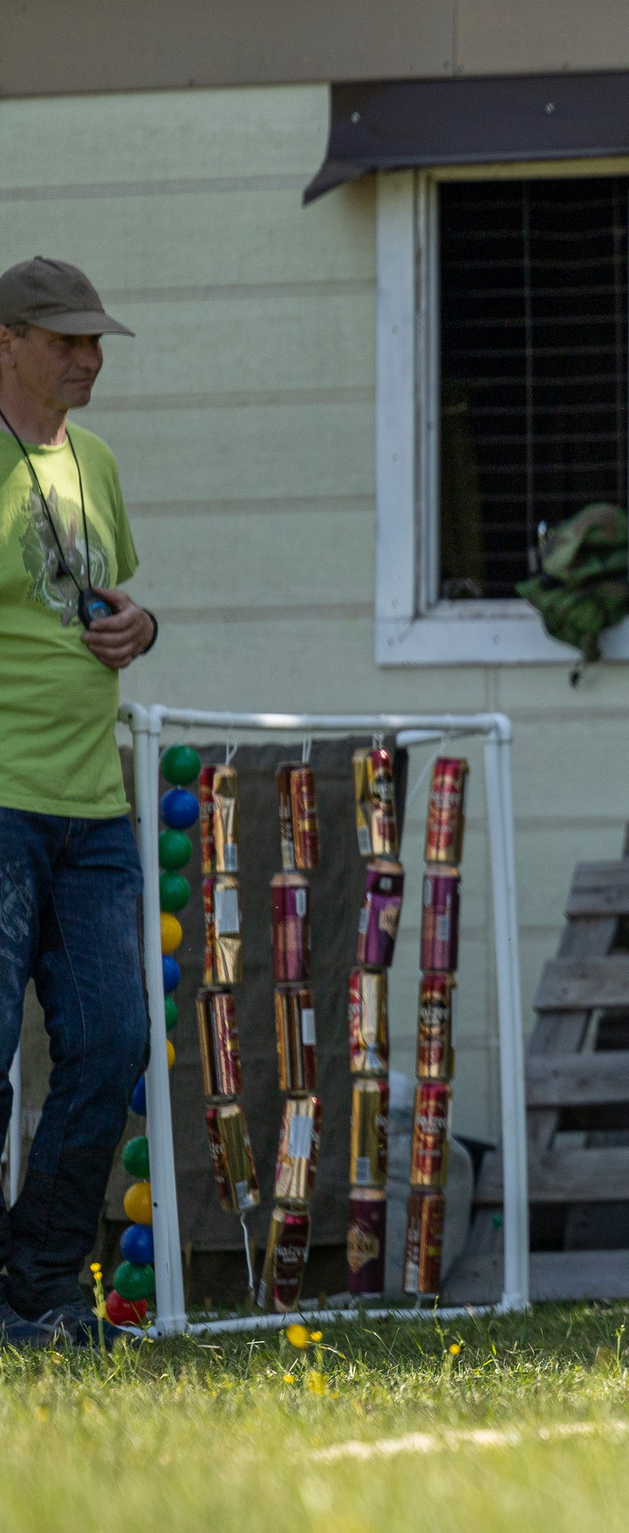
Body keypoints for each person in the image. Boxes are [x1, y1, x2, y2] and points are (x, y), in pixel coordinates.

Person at [0, 257, 158, 1349]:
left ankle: (45, 1283)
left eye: (95, 339)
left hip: (94, 805)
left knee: (112, 1041)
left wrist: (142, 627)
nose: (89, 357)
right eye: (65, 339)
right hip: (3, 801)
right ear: (7, 342)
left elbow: (106, 605)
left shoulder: (94, 461)